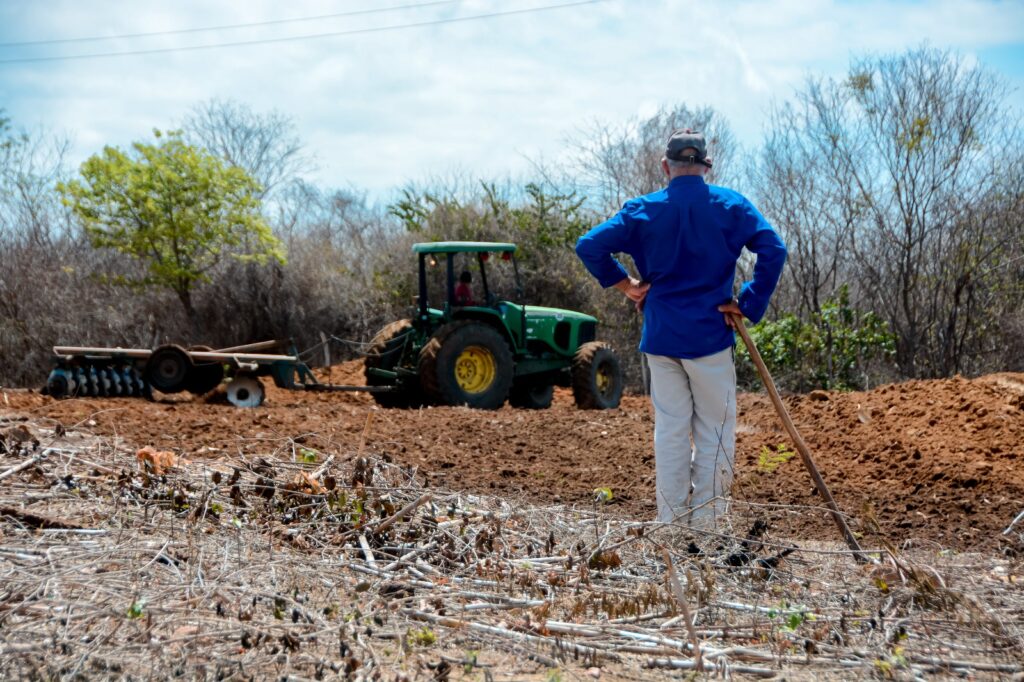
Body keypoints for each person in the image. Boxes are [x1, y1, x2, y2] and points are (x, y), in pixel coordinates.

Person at [575, 129, 787, 529]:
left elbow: (589, 244)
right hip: (711, 336)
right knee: (716, 431)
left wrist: (628, 286)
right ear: (706, 165)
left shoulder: (643, 210)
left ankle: (671, 526)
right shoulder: (731, 205)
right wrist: (748, 303)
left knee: (670, 431)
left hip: (662, 338)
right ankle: (706, 528)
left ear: (665, 165)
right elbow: (774, 249)